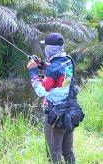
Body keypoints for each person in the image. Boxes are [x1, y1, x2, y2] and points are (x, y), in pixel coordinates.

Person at [27, 33, 77, 163]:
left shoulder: (53, 69)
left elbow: (41, 91)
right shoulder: (68, 60)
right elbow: (58, 71)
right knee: (68, 151)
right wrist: (42, 64)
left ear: (49, 49)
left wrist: (33, 71)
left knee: (53, 155)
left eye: (45, 47)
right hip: (70, 112)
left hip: (55, 117)